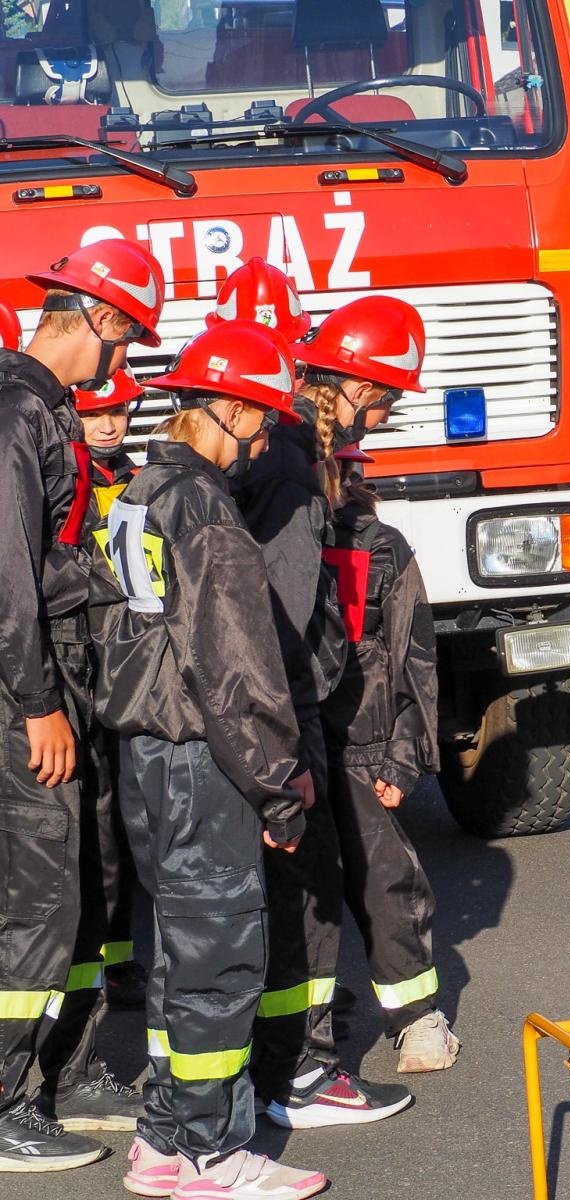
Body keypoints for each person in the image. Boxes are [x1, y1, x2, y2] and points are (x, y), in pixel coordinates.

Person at [93, 320, 325, 1199]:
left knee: (178, 956)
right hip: (201, 758)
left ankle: (164, 1138)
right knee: (221, 954)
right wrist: (278, 786)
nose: (264, 442)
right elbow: (237, 665)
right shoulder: (207, 512)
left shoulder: (138, 490)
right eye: (259, 422)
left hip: (147, 753)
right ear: (223, 406)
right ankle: (208, 1153)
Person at [237, 291, 422, 1129]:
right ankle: (301, 1077)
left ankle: (290, 1063)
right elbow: (278, 608)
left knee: (291, 897)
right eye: (380, 399)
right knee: (301, 898)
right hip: (284, 710)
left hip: (278, 707)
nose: (378, 420)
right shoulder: (288, 462)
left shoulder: (289, 450)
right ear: (346, 383)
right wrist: (298, 720)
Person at [0, 238, 162, 1171]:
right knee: (36, 903)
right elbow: (9, 578)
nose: (123, 359)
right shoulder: (19, 414)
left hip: (49, 677)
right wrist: (36, 706)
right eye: (125, 336)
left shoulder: (40, 411)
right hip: (23, 694)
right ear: (98, 318)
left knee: (71, 889)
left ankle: (48, 1076)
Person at [32, 370, 152, 1137]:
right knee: (53, 883)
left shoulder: (126, 482)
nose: (107, 424)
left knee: (102, 860)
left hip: (101, 688)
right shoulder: (48, 474)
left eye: (120, 411)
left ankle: (79, 1039)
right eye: (95, 410)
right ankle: (39, 1075)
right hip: (59, 693)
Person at [322, 445, 459, 1073]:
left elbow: (414, 659)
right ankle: (306, 1029)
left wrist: (402, 758)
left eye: (347, 471)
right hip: (280, 750)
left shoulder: (382, 547)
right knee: (295, 901)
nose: (340, 481)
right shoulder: (260, 534)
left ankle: (417, 1021)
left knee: (386, 887)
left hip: (363, 748)